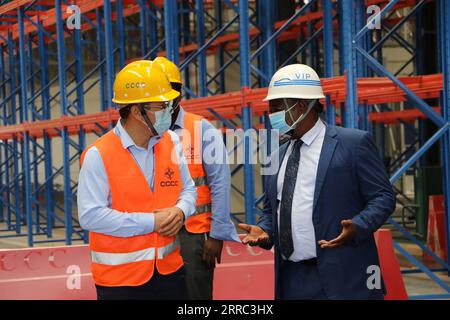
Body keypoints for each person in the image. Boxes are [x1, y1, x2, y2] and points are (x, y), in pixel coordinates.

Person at [239, 64, 396, 300]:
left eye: (277, 108)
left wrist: (359, 225)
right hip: (291, 278)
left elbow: (383, 197)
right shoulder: (277, 156)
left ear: (302, 105)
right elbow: (274, 209)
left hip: (345, 277)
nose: (272, 116)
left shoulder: (353, 144)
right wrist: (265, 230)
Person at [77, 60, 197, 300]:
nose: (169, 110)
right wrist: (151, 222)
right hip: (120, 282)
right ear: (135, 111)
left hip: (170, 274)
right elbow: (90, 215)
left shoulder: (171, 141)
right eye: (161, 105)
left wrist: (181, 211)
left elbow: (189, 191)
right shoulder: (98, 155)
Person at [153, 56, 240, 300]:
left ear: (178, 95)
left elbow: (220, 183)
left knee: (195, 297)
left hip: (193, 233)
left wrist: (216, 235)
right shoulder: (146, 131)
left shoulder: (201, 129)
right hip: (155, 231)